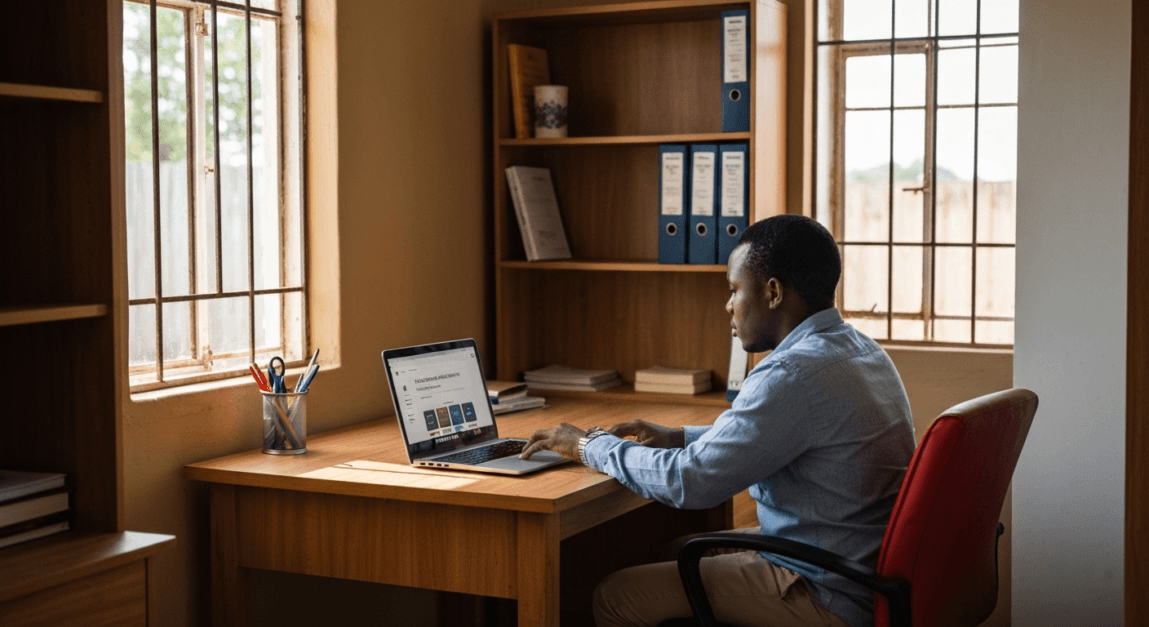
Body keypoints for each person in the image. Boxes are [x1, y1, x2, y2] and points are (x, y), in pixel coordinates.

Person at [520, 214, 916, 627]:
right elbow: (781, 434)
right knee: (678, 549)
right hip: (858, 569)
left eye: (734, 289)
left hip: (824, 591)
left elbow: (690, 482)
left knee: (615, 597)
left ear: (773, 292)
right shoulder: (859, 349)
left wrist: (588, 445)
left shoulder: (791, 372)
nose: (728, 305)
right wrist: (679, 436)